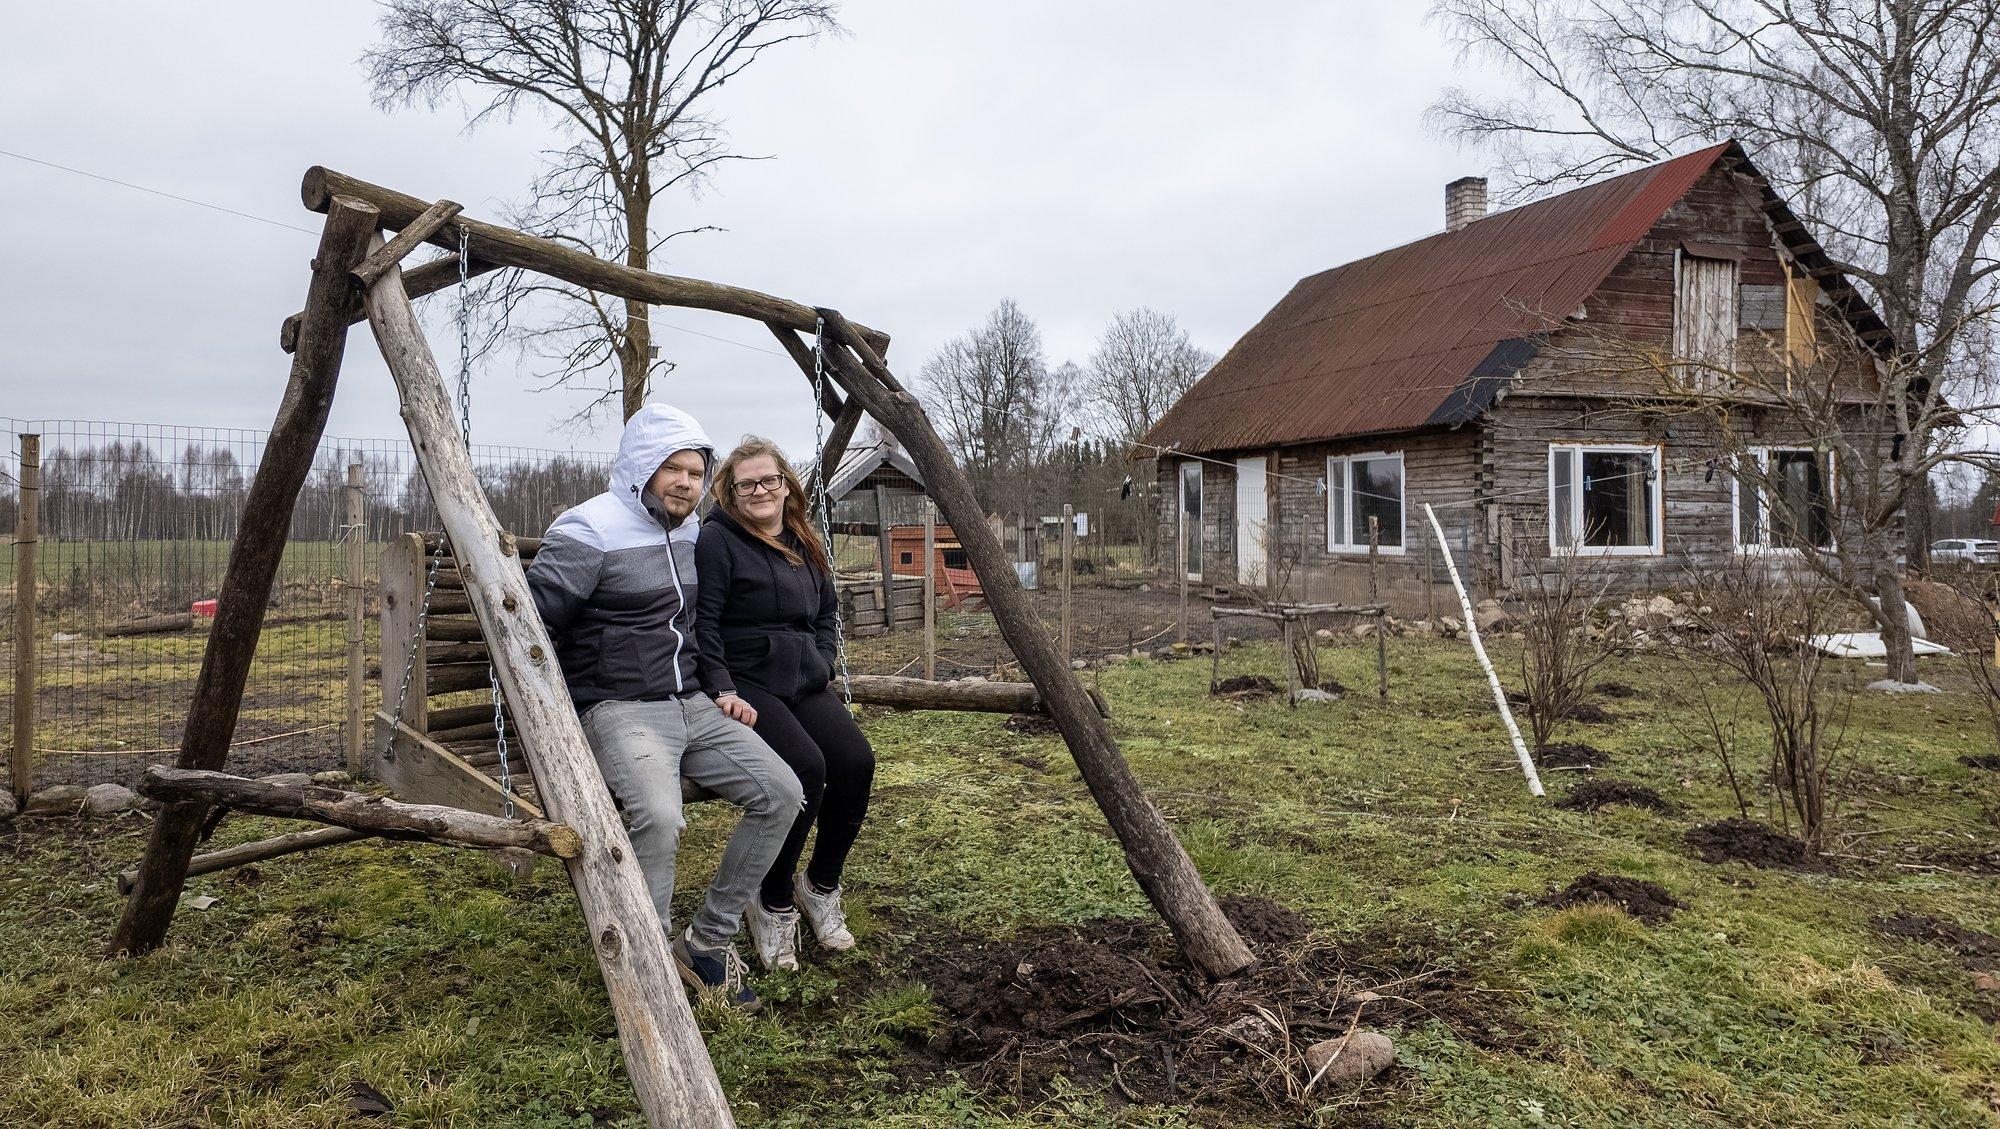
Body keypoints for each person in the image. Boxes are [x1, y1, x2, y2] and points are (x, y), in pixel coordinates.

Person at [525, 404, 804, 1010]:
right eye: (671, 469)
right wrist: (556, 718)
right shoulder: (587, 530)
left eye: (696, 472)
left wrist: (720, 689)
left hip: (692, 702)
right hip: (619, 706)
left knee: (782, 792)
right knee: (659, 815)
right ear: (638, 469)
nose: (685, 482)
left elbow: (697, 625)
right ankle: (647, 956)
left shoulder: (690, 531)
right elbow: (528, 627)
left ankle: (705, 941)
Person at [695, 437, 877, 971]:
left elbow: (826, 616)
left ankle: (819, 885)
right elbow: (704, 620)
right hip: (749, 680)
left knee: (855, 763)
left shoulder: (804, 540)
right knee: (806, 767)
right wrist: (721, 686)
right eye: (746, 483)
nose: (759, 491)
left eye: (768, 480)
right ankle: (771, 900)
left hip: (805, 679)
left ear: (786, 485)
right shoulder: (718, 540)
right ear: (730, 491)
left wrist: (823, 663)